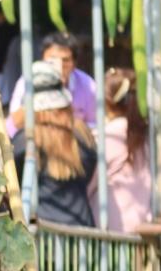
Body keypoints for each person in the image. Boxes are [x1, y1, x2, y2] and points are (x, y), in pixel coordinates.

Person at [13, 60, 98, 227]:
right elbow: (89, 172)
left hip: (44, 236)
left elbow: (15, 183)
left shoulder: (25, 141)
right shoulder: (82, 134)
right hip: (83, 235)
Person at [7, 32, 97, 138]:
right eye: (52, 60)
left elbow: (94, 125)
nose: (59, 65)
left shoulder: (88, 85)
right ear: (43, 59)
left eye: (65, 60)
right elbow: (15, 122)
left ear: (74, 63)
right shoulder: (28, 80)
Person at [97, 68, 151, 233]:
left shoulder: (111, 135)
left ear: (107, 101)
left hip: (113, 227)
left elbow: (92, 180)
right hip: (141, 221)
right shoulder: (143, 132)